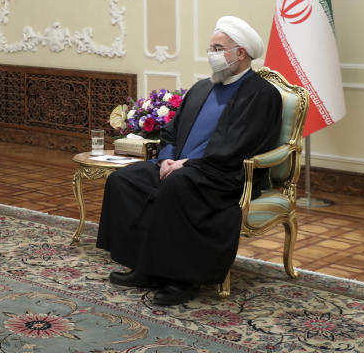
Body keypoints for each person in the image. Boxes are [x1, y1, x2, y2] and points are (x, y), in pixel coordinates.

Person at [96, 16, 282, 306]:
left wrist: (186, 165)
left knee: (179, 185)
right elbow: (171, 131)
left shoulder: (261, 94)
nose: (212, 54)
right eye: (210, 47)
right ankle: (144, 268)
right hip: (181, 167)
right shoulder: (202, 88)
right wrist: (168, 159)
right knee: (123, 180)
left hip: (222, 175)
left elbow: (238, 146)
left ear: (240, 53)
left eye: (218, 48)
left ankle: (180, 280)